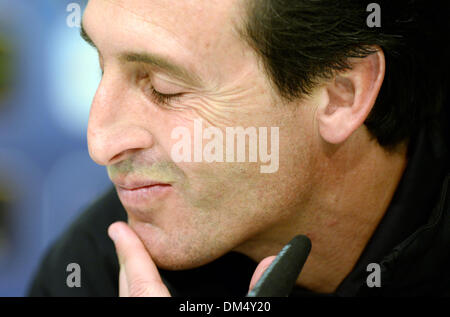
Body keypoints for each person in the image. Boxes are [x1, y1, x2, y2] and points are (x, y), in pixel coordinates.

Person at [28, 0, 450, 296]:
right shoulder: (99, 270)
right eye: (100, 66)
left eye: (164, 89)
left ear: (341, 95)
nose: (99, 143)